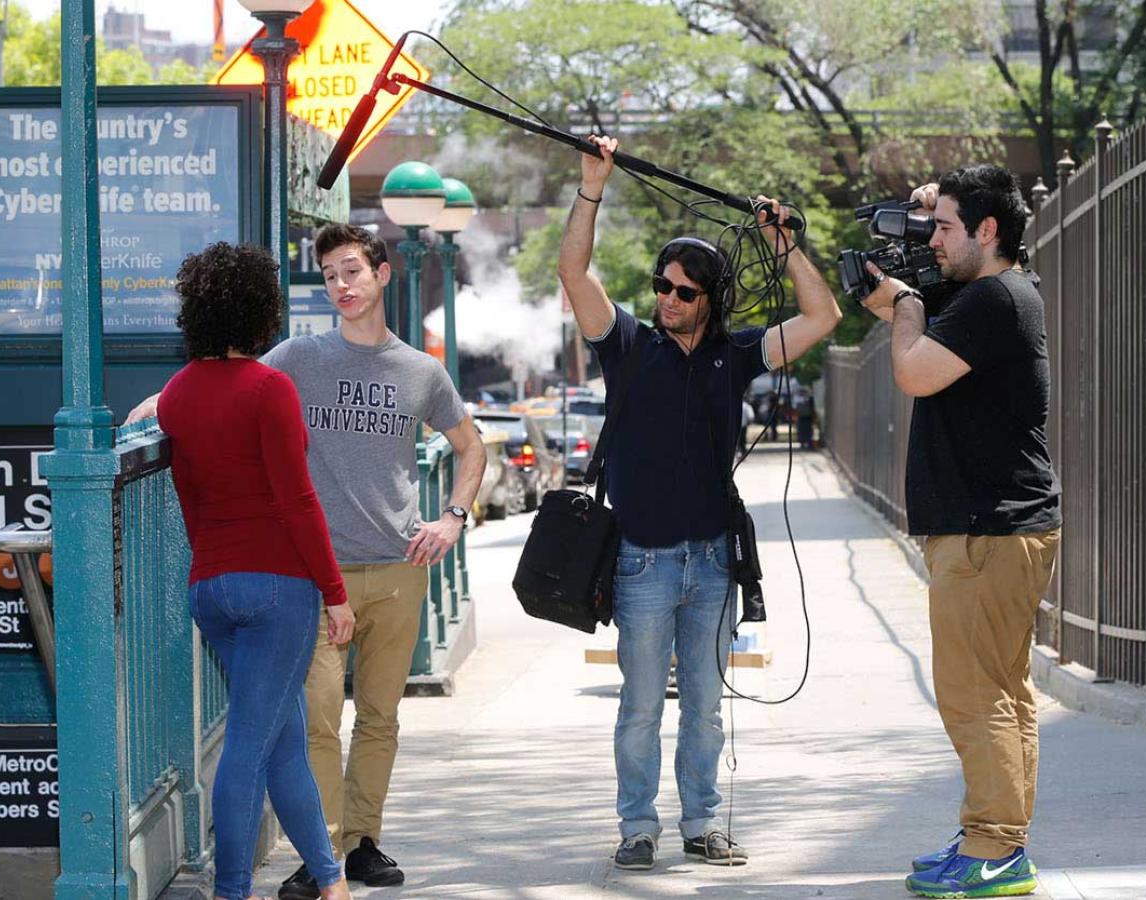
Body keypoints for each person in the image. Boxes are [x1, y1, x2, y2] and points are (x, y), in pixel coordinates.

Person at [128, 224, 486, 899]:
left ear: (382, 274)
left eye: (351, 270)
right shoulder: (284, 370)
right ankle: (260, 877)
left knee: (337, 724)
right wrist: (332, 591)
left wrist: (452, 518)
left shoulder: (419, 370)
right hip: (297, 580)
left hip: (310, 574)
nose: (341, 285)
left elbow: (471, 447)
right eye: (329, 275)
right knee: (282, 733)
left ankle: (342, 864)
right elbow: (293, 498)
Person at [558, 135, 841, 871]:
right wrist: (593, 186)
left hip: (715, 559)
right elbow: (572, 270)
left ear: (711, 301)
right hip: (643, 564)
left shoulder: (736, 354)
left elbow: (822, 319)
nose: (667, 300)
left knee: (708, 711)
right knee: (641, 709)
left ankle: (704, 823)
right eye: (661, 286)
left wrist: (785, 249)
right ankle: (637, 827)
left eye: (684, 291)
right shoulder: (625, 344)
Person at [860, 166, 1061, 899]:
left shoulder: (996, 299)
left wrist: (905, 300)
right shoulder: (996, 296)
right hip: (1002, 528)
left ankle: (997, 848)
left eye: (945, 227)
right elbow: (927, 321)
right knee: (1003, 694)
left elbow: (912, 371)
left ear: (987, 231)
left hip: (986, 533)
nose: (931, 239)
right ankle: (992, 836)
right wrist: (917, 270)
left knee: (973, 695)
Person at [155, 242, 355, 900]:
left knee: (282, 739)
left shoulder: (178, 393)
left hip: (211, 587)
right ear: (261, 309)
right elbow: (299, 502)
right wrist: (334, 592)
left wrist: (215, 562)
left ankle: (330, 880)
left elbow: (190, 498)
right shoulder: (271, 388)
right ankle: (231, 890)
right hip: (279, 589)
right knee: (248, 741)